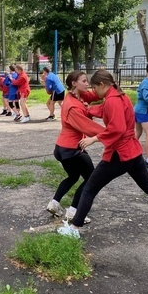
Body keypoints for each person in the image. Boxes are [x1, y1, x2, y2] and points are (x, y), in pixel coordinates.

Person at [58, 69, 148, 239]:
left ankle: (74, 229)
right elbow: (106, 110)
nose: (94, 92)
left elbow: (117, 128)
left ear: (102, 85)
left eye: (95, 88)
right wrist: (90, 110)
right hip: (134, 152)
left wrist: (94, 138)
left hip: (119, 154)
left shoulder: (112, 101)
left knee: (89, 189)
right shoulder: (120, 96)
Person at [46, 70, 103, 224]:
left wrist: (108, 87)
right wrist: (111, 134)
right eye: (84, 81)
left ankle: (54, 203)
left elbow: (95, 95)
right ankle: (74, 212)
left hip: (62, 147)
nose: (87, 84)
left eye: (87, 81)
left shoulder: (76, 95)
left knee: (73, 177)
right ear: (74, 83)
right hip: (71, 149)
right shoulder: (73, 106)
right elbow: (88, 127)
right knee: (91, 179)